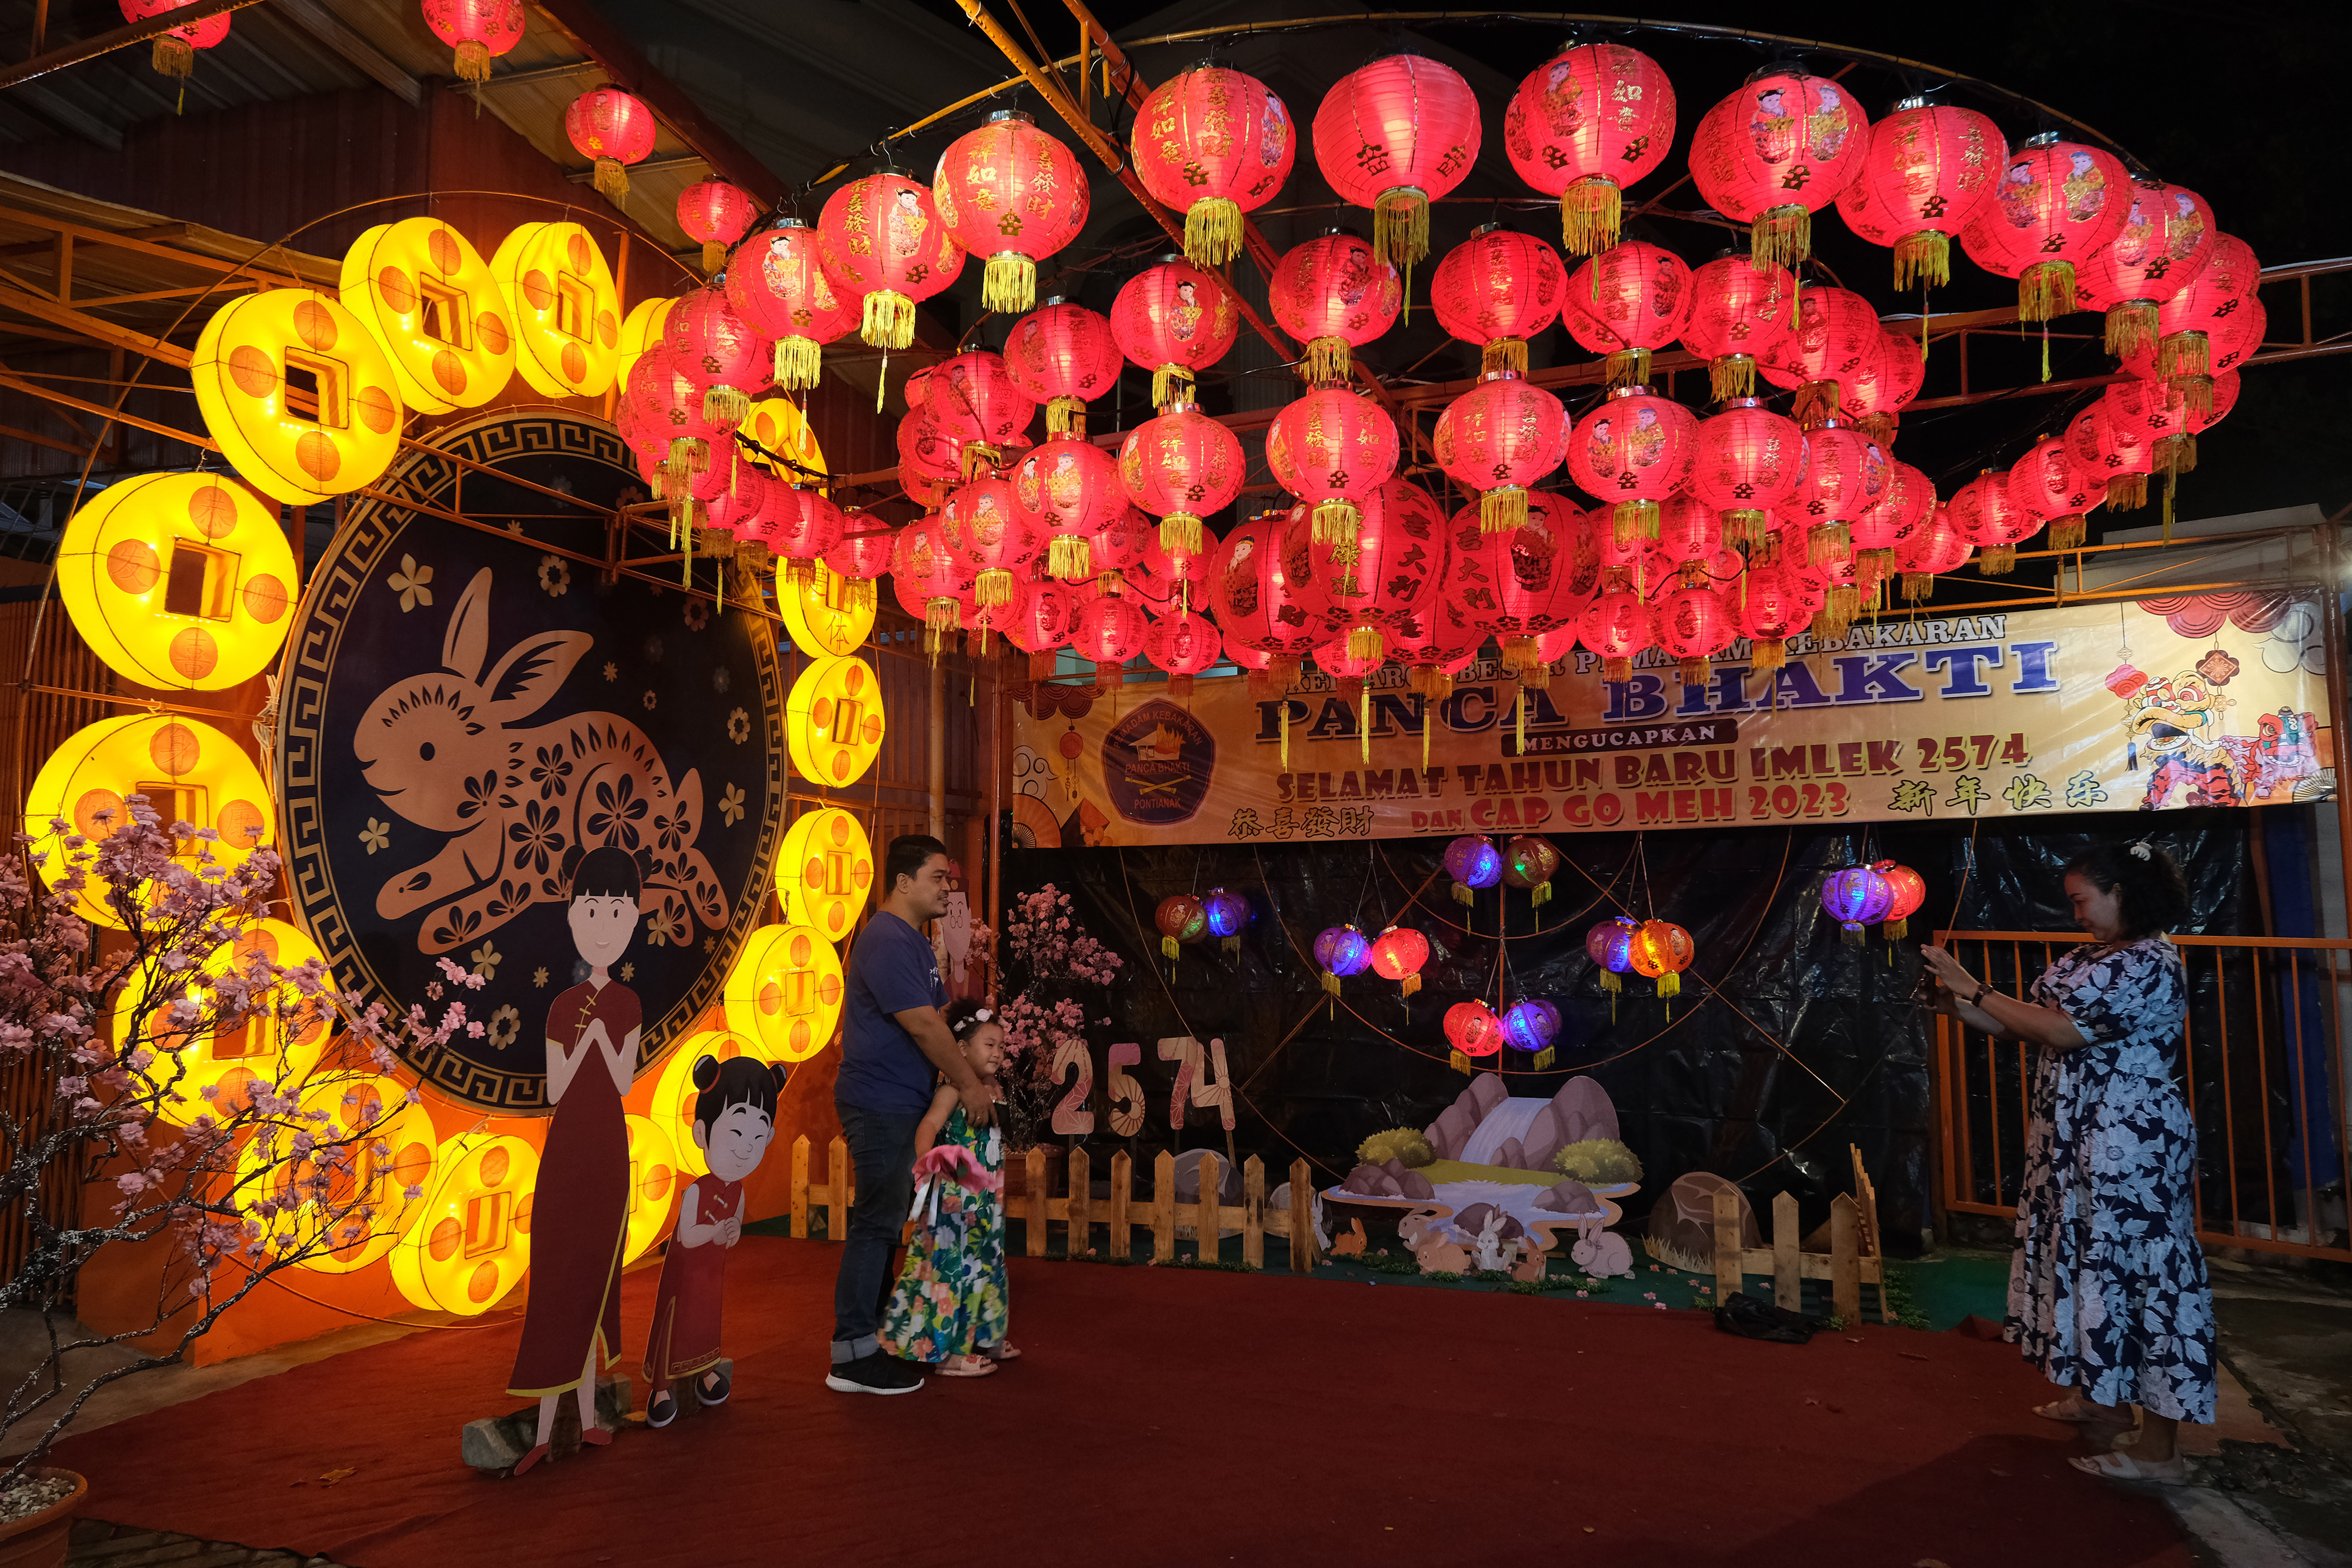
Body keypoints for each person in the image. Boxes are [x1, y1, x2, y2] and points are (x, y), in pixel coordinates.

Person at [1919, 838, 2212, 1483]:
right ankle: (2101, 1401)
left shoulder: (2151, 963)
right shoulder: (2088, 957)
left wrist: (1976, 987)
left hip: (2129, 1144)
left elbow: (2060, 1031)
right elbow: (2024, 1025)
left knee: (2142, 1277)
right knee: (2085, 1264)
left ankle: (2160, 1450)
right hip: (2074, 1136)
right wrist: (1958, 1007)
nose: (2075, 914)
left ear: (2122, 894)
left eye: (2082, 901)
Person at [826, 834, 993, 1395]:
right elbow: (923, 1025)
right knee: (877, 1222)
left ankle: (873, 1337)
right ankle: (851, 1355)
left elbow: (939, 1018)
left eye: (949, 879)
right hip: (881, 1100)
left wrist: (980, 1046)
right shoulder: (887, 939)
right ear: (903, 881)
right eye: (938, 877)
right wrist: (968, 1082)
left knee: (887, 1220)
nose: (948, 888)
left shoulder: (914, 942)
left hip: (900, 1099)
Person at [508, 845, 642, 1476]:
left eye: (616, 911)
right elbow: (556, 1087)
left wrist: (599, 1039)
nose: (603, 923)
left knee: (594, 1276)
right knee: (557, 1281)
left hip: (609, 1147)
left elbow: (623, 1080)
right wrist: (582, 1036)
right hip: (567, 1148)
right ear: (571, 915)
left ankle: (586, 1418)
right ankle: (543, 1429)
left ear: (633, 918)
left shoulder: (628, 1003)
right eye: (591, 909)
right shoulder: (562, 1005)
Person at [643, 1053, 788, 1428]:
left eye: (757, 1137)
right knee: (678, 1322)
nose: (746, 1148)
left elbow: (734, 1228)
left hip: (711, 1274)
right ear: (701, 1133)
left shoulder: (738, 1190)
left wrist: (733, 1231)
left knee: (707, 1321)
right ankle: (661, 1388)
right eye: (736, 1134)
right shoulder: (695, 1190)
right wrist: (717, 1231)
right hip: (686, 1274)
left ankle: (706, 1371)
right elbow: (688, 1235)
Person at [881, 1000, 1015, 1377]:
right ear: (961, 1049)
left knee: (987, 1264)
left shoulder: (994, 1089)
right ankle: (947, 1353)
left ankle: (985, 1336)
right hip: (955, 1202)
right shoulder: (953, 1090)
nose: (997, 1053)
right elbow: (928, 1127)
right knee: (952, 1270)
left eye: (1001, 1046)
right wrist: (929, 1163)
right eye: (989, 1045)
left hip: (986, 1202)